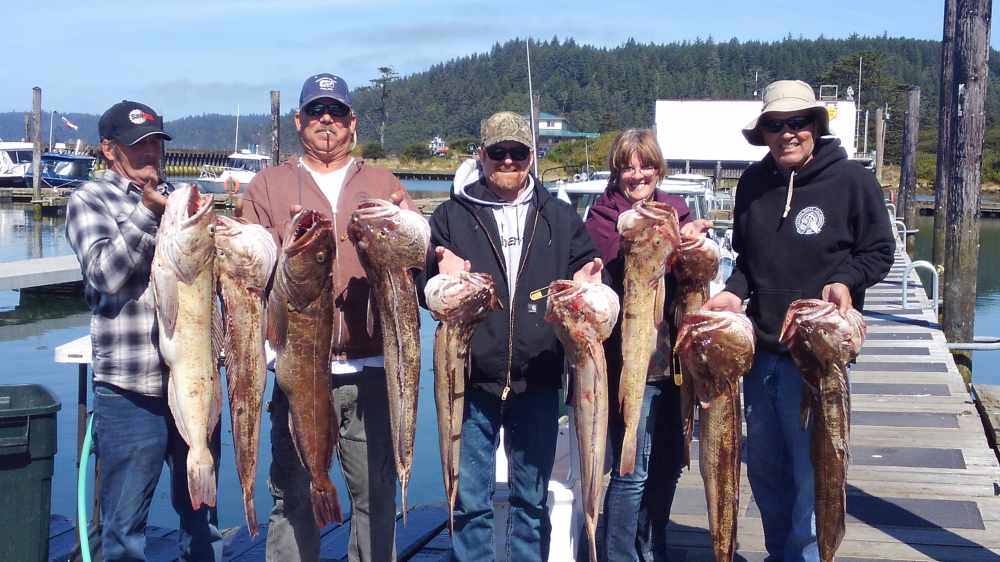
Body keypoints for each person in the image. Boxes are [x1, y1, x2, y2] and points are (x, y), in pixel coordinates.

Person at [703, 80, 894, 562]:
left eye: (798, 123)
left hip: (817, 365)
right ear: (763, 133)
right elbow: (746, 262)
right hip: (759, 357)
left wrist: (847, 281)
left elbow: (879, 251)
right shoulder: (752, 184)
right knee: (766, 474)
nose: (788, 133)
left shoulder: (852, 180)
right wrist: (731, 293)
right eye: (776, 125)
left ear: (815, 126)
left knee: (816, 478)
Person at [240, 73, 413, 562]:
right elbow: (245, 264)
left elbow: (416, 257)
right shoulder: (267, 185)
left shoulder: (383, 184)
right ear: (298, 120)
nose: (326, 121)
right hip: (296, 372)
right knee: (291, 496)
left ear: (352, 123)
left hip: (368, 371)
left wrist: (401, 232)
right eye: (316, 111)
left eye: (335, 112)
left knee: (375, 498)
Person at [423, 111, 604, 561]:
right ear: (481, 156)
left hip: (540, 380)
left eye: (517, 152)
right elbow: (423, 289)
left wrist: (590, 278)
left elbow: (589, 273)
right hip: (469, 383)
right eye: (498, 152)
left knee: (532, 500)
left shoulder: (560, 218)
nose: (508, 161)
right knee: (468, 503)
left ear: (532, 157)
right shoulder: (450, 217)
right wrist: (437, 274)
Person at [65, 100, 223, 561]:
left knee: (202, 520)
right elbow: (103, 275)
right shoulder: (89, 200)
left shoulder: (180, 202)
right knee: (125, 527)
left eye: (156, 142)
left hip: (195, 386)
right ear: (109, 150)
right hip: (130, 390)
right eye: (139, 145)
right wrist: (149, 215)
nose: (151, 152)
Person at [583, 129, 710, 562]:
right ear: (616, 171)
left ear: (659, 168)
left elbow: (692, 272)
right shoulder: (602, 217)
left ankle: (653, 546)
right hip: (630, 367)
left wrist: (690, 241)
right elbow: (608, 264)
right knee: (630, 469)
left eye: (646, 165)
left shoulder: (675, 209)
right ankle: (619, 555)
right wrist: (640, 235)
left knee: (670, 464)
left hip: (675, 363)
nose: (637, 174)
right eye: (627, 166)